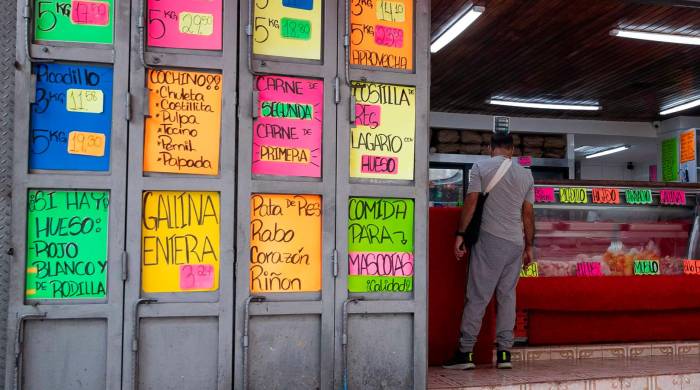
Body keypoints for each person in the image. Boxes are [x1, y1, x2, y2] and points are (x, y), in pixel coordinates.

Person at [442, 132, 535, 370]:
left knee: (478, 296)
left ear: (490, 148)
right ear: (512, 151)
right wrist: (529, 248)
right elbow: (528, 214)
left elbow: (472, 201)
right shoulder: (526, 175)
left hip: (490, 240)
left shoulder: (480, 167)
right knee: (507, 297)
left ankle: (465, 353)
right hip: (515, 243)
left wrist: (460, 234)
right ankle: (505, 354)